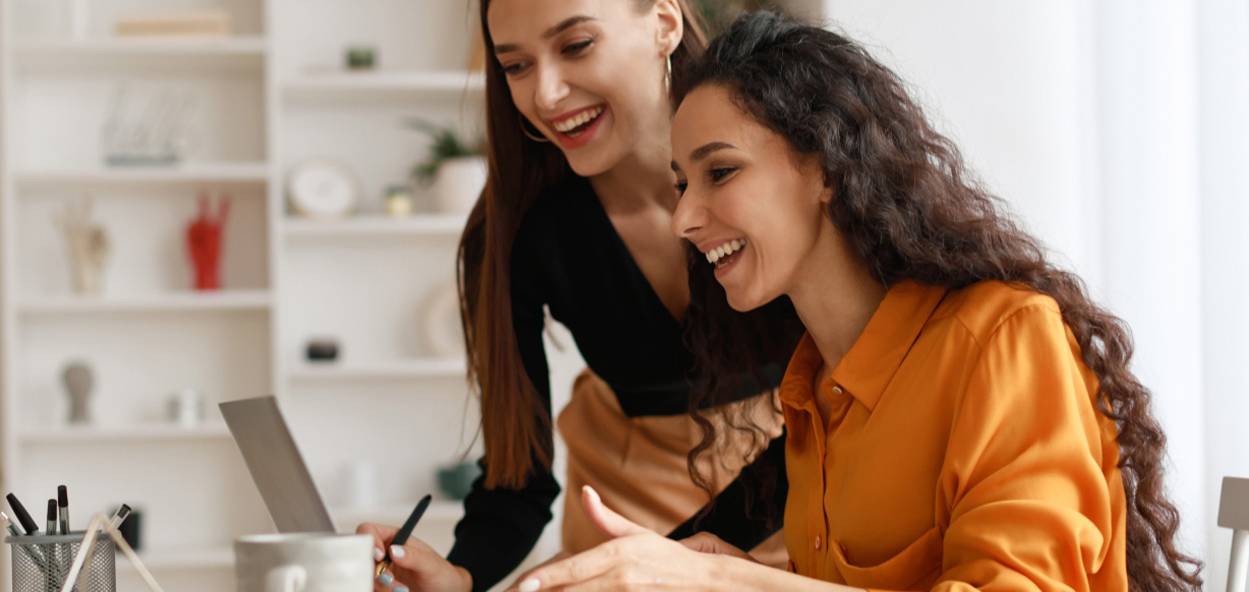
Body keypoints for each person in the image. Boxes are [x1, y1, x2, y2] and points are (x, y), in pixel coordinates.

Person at [509, 11, 1204, 592]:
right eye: (680, 184)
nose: (684, 218)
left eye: (719, 172)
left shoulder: (1003, 338)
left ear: (828, 168)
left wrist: (734, 584)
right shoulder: (814, 399)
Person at [357, 2, 796, 591]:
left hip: (809, 487)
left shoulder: (791, 151)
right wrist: (460, 577)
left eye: (576, 45)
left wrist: (679, 559)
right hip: (626, 509)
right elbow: (519, 478)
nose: (546, 93)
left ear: (664, 23)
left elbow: (863, 397)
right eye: (515, 66)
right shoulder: (517, 237)